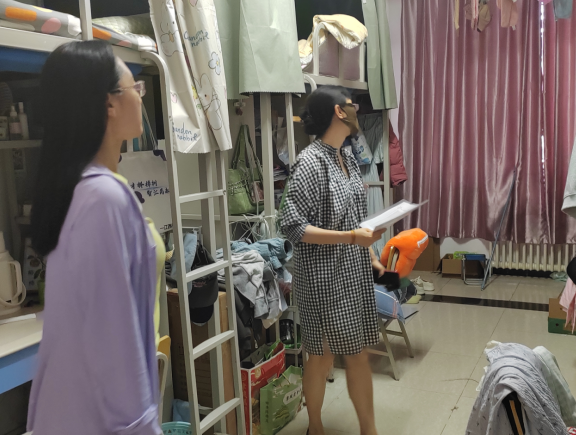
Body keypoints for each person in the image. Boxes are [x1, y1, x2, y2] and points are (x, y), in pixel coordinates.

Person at [28, 40, 163, 435]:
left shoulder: (81, 190)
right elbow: (113, 343)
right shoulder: (103, 198)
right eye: (135, 88)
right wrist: (142, 428)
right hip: (101, 420)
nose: (140, 97)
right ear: (109, 104)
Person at [280, 86, 385, 435]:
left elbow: (355, 216)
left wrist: (369, 253)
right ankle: (316, 426)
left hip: (352, 272)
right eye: (351, 105)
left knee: (355, 352)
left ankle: (367, 429)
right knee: (325, 354)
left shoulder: (347, 157)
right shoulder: (310, 162)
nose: (356, 110)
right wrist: (351, 238)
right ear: (339, 112)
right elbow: (293, 226)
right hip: (322, 277)